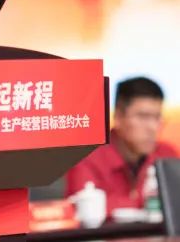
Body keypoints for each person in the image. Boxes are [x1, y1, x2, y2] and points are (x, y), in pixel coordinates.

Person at [66, 76, 178, 214]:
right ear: (118, 117)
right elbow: (83, 208)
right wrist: (148, 203)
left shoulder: (166, 155)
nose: (153, 127)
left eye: (157, 117)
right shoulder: (86, 157)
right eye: (143, 116)